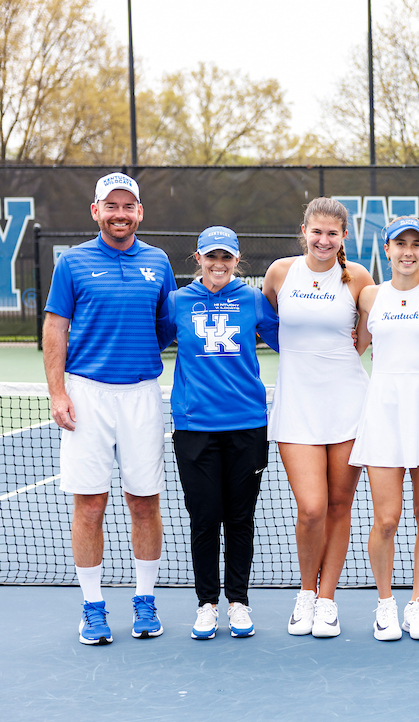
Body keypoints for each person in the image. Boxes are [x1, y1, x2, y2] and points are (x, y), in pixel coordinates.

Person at [43, 172, 174, 645]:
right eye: (111, 206)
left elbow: (165, 325)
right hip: (87, 396)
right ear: (96, 211)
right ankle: (93, 607)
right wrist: (58, 393)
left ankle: (145, 601)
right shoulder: (72, 263)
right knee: (90, 504)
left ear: (139, 212)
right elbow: (55, 328)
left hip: (142, 395)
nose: (120, 214)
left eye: (128, 206)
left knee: (144, 502)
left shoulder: (158, 261)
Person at [158, 227, 279, 639]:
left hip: (247, 425)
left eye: (226, 257)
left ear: (237, 260)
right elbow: (151, 342)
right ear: (198, 258)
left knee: (240, 518)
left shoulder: (254, 300)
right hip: (195, 428)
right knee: (205, 518)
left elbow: (290, 342)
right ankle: (206, 604)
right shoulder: (177, 302)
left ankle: (238, 602)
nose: (218, 264)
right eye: (211, 256)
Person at [348, 217, 419, 642]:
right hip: (383, 411)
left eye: (417, 244)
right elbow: (356, 346)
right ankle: (385, 604)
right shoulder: (369, 296)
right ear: (387, 250)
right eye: (400, 243)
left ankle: (417, 604)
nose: (408, 251)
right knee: (386, 519)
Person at [263, 197, 372, 639]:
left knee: (339, 506)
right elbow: (268, 322)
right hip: (297, 406)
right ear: (304, 232)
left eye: (332, 233)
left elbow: (363, 338)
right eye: (317, 232)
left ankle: (327, 599)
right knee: (311, 508)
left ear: (344, 236)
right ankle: (306, 592)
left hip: (348, 403)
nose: (323, 240)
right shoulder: (280, 273)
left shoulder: (358, 277)